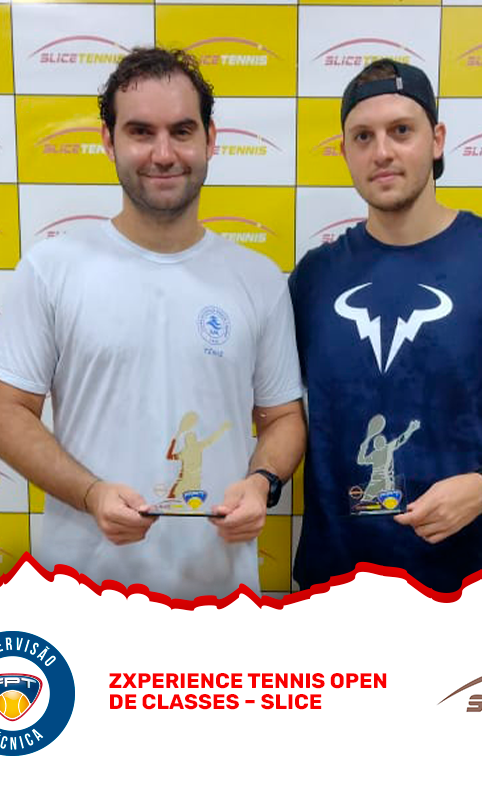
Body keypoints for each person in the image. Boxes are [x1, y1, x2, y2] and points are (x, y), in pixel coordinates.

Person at [0, 47, 305, 600]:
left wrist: (262, 482)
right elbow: (8, 412)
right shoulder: (50, 269)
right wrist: (91, 493)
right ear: (108, 140)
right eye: (141, 132)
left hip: (219, 596)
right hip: (82, 595)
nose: (163, 154)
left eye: (182, 131)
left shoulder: (258, 279)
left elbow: (283, 417)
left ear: (210, 140)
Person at [289, 57, 482, 593]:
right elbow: (280, 414)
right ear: (345, 151)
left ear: (437, 139)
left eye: (401, 130)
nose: (382, 151)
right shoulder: (313, 277)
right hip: (332, 587)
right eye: (363, 136)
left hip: (467, 587)